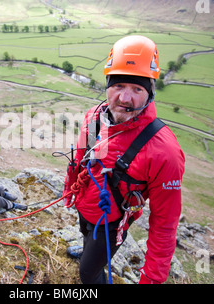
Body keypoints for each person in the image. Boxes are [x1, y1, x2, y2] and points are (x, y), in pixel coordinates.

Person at [63, 35, 185, 284]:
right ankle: (88, 251)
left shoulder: (164, 152)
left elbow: (164, 225)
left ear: (150, 93)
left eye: (137, 89)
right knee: (85, 234)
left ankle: (93, 266)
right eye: (118, 86)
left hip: (111, 223)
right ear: (107, 85)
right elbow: (78, 157)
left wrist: (151, 279)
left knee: (88, 274)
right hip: (85, 206)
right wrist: (70, 188)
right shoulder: (94, 117)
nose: (125, 98)